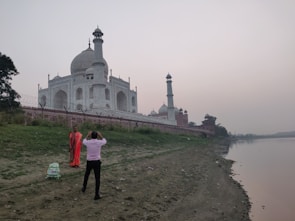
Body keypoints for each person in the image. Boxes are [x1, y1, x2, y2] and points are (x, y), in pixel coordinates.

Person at [81, 130, 107, 200]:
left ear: (91, 136)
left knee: (87, 174)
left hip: (89, 161)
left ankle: (84, 187)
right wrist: (100, 135)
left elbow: (83, 141)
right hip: (96, 162)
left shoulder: (88, 142)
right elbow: (104, 140)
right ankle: (96, 194)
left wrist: (87, 135)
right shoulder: (99, 142)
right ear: (97, 136)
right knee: (97, 178)